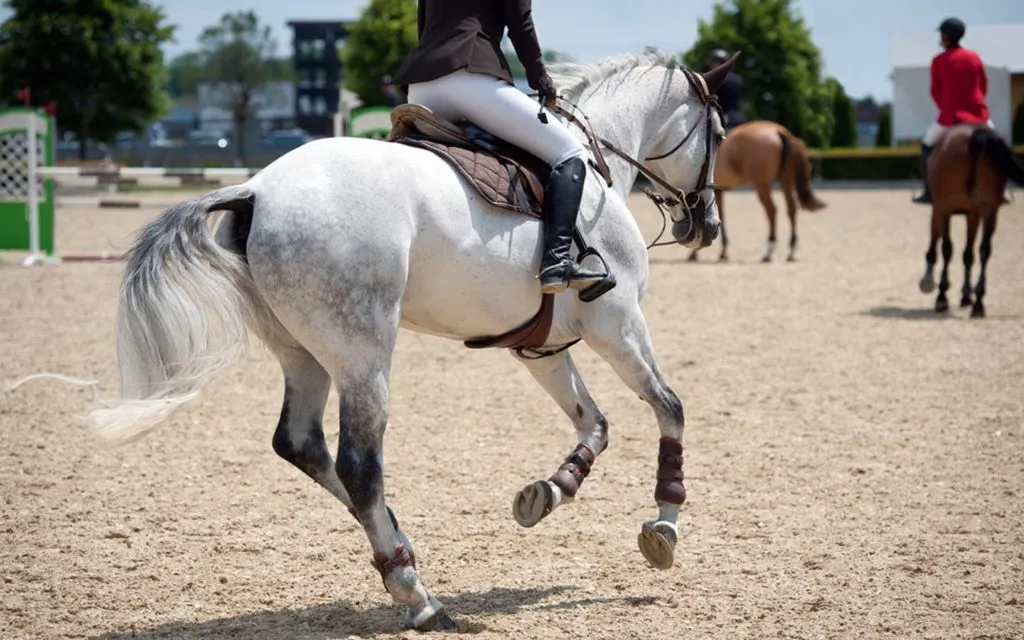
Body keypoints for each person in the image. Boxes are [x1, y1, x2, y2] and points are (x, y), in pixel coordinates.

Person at [391, 0, 605, 294]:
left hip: (421, 85)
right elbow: (521, 22)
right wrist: (541, 80)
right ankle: (556, 262)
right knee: (570, 153)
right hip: (469, 74)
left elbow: (424, 23)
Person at [913, 17, 994, 204]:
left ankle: (929, 192)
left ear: (946, 36)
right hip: (979, 116)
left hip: (952, 117)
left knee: (926, 145)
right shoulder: (975, 57)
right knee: (998, 146)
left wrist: (946, 109)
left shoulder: (938, 60)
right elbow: (983, 86)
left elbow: (935, 91)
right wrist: (977, 106)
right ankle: (1002, 190)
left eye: (942, 34)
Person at [706, 49, 745, 130]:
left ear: (716, 63)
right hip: (739, 118)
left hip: (723, 119)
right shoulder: (737, 78)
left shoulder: (715, 80)